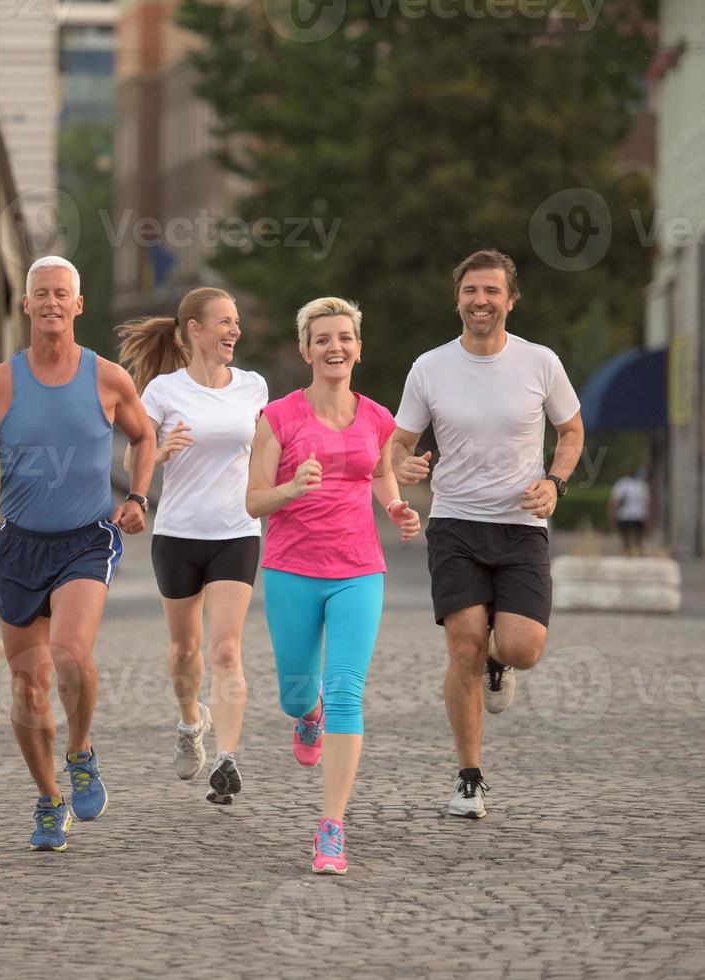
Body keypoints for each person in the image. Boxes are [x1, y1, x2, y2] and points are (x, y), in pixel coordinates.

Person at [0, 255, 156, 852]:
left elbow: (145, 438)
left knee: (68, 653)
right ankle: (48, 799)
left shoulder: (109, 378)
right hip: (19, 544)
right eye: (40, 293)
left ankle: (81, 751)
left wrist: (139, 496)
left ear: (78, 305)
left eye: (61, 293)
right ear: (26, 304)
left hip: (86, 539)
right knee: (27, 684)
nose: (50, 302)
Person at [391, 249, 584, 819]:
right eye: (471, 291)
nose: (481, 301)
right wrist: (405, 466)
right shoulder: (430, 367)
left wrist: (556, 482)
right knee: (464, 646)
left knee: (522, 648)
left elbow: (570, 431)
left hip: (523, 526)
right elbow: (401, 442)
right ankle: (470, 777)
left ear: (510, 299)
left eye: (492, 291)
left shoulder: (540, 362)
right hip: (455, 524)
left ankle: (500, 664)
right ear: (458, 298)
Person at [245, 297, 420, 875]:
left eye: (344, 337)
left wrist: (394, 506)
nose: (335, 347)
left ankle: (332, 829)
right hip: (292, 569)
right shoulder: (279, 417)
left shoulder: (377, 418)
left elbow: (379, 471)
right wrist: (292, 488)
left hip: (358, 572)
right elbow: (253, 500)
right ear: (305, 350)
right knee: (299, 691)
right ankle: (306, 712)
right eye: (322, 339)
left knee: (347, 691)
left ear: (358, 348)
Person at [115, 289, 268, 805]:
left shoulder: (253, 387)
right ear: (194, 330)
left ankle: (226, 757)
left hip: (236, 531)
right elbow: (132, 458)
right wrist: (158, 453)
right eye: (224, 322)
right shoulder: (162, 390)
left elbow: (274, 450)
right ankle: (189, 722)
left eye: (237, 321)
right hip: (178, 534)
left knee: (226, 649)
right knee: (185, 651)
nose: (234, 331)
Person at [608, 468, 651, 555]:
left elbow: (614, 501)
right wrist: (648, 520)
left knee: (626, 541)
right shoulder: (642, 485)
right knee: (638, 542)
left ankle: (628, 554)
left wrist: (611, 515)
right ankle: (638, 556)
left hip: (624, 516)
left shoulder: (622, 483)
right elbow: (647, 504)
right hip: (639, 516)